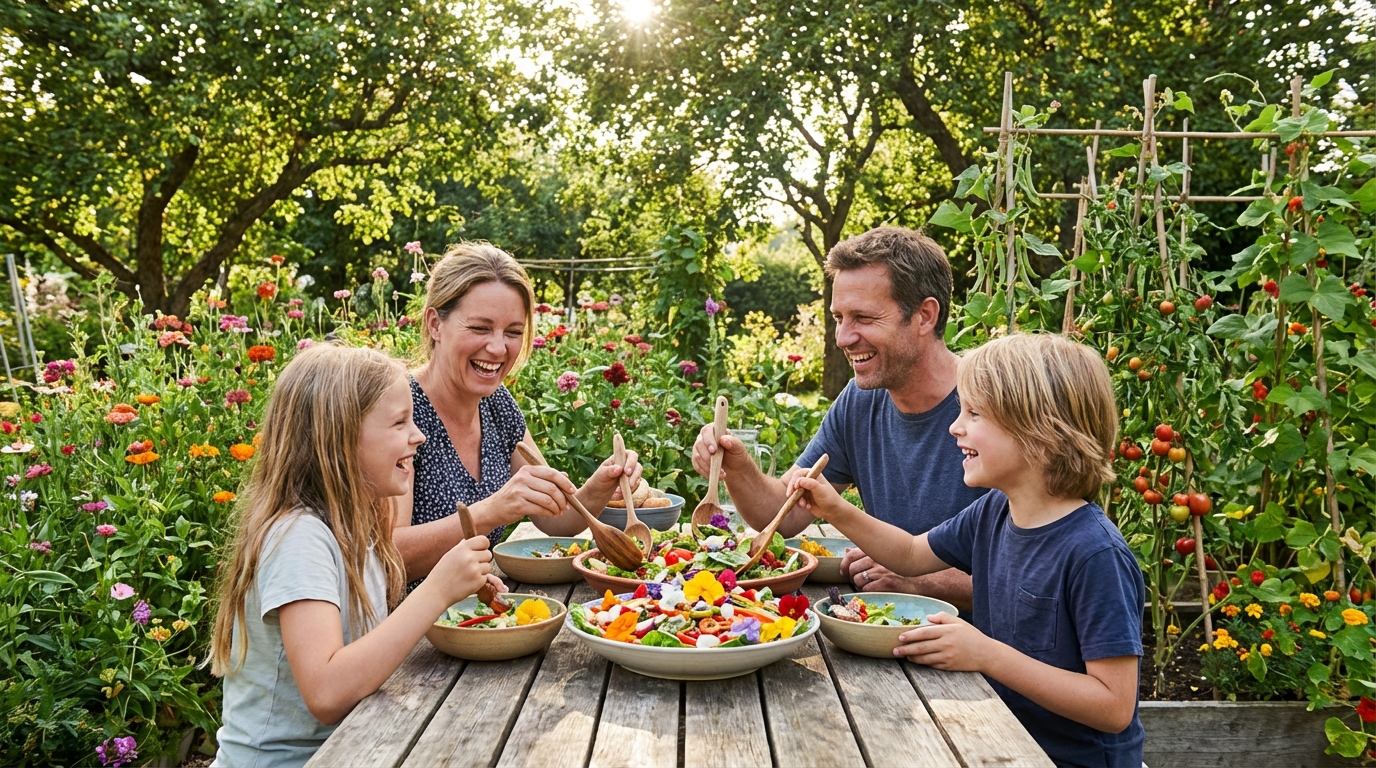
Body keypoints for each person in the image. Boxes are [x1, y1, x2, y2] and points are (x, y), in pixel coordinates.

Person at [788, 333, 1144, 768]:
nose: (955, 426)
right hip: (1003, 742)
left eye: (974, 413)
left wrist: (985, 653)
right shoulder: (995, 511)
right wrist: (836, 508)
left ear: (1040, 432)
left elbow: (1113, 707)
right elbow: (910, 554)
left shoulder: (1094, 554)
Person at [209, 344, 505, 768]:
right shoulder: (299, 537)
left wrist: (455, 591)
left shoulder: (355, 526)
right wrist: (436, 590)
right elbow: (327, 693)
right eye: (400, 422)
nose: (418, 436)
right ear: (341, 438)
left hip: (353, 746)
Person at [692, 226, 984, 611]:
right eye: (838, 317)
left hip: (982, 654)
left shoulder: (994, 408)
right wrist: (738, 466)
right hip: (889, 634)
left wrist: (919, 580)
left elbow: (1038, 578)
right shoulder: (860, 402)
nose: (843, 338)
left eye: (862, 317)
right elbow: (785, 514)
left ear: (925, 316)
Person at [394, 243, 640, 587]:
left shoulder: (497, 404)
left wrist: (602, 483)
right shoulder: (398, 409)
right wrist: (491, 511)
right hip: (404, 625)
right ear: (435, 324)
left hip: (474, 618)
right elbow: (386, 558)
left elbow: (556, 518)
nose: (498, 348)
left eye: (513, 332)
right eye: (480, 328)